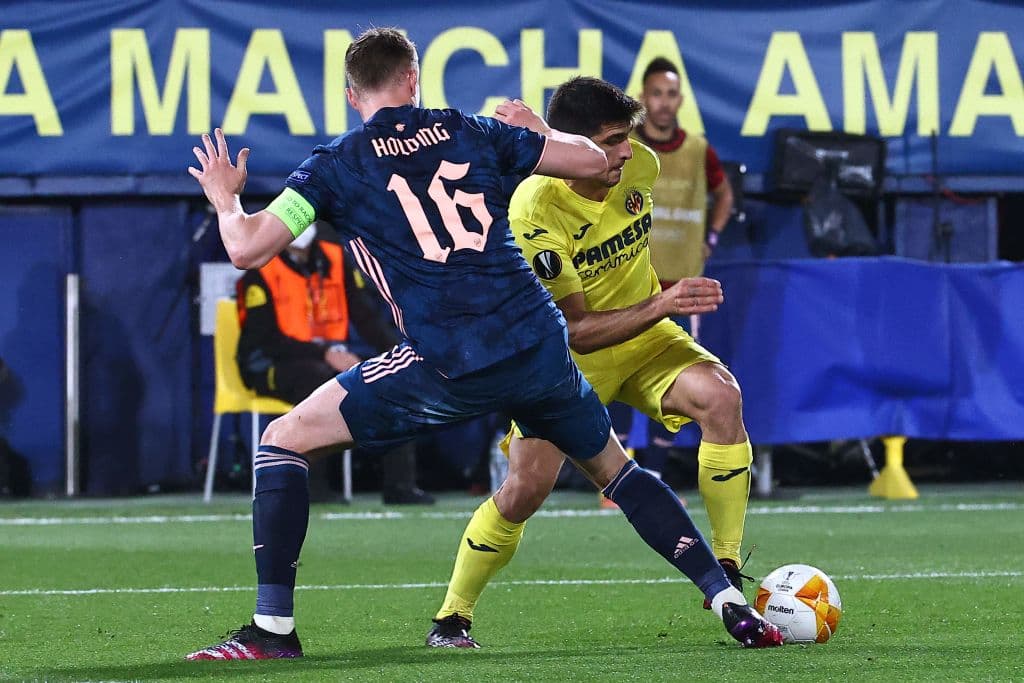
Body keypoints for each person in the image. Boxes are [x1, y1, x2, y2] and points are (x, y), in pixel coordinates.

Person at [185, 28, 781, 660]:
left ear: (351, 93)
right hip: (537, 348)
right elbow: (593, 161)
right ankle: (727, 599)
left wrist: (226, 198)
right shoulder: (471, 130)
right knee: (618, 471)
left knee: (282, 441)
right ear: (414, 79)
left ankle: (273, 629)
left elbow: (246, 248)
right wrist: (537, 130)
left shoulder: (334, 167)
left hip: (447, 362)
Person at [427, 77, 757, 648]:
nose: (627, 150)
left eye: (626, 137)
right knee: (524, 491)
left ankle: (725, 571)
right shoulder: (535, 212)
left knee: (722, 396)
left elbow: (630, 210)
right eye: (610, 141)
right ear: (570, 146)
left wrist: (659, 307)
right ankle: (452, 616)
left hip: (647, 342)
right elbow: (577, 331)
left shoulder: (639, 166)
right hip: (568, 363)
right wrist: (664, 302)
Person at [236, 221, 433, 504]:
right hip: (267, 364)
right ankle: (313, 486)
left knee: (391, 376)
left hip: (329, 359)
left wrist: (402, 352)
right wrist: (325, 354)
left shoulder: (334, 257)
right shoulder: (260, 268)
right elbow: (266, 341)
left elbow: (365, 316)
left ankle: (400, 484)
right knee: (315, 379)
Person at [625, 57, 738, 482]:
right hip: (632, 287)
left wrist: (711, 236)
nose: (664, 102)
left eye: (671, 94)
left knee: (675, 382)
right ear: (642, 98)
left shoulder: (697, 149)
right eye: (656, 93)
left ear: (681, 100)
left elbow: (724, 195)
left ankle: (653, 473)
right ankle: (614, 478)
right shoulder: (627, 147)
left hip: (684, 290)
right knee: (619, 378)